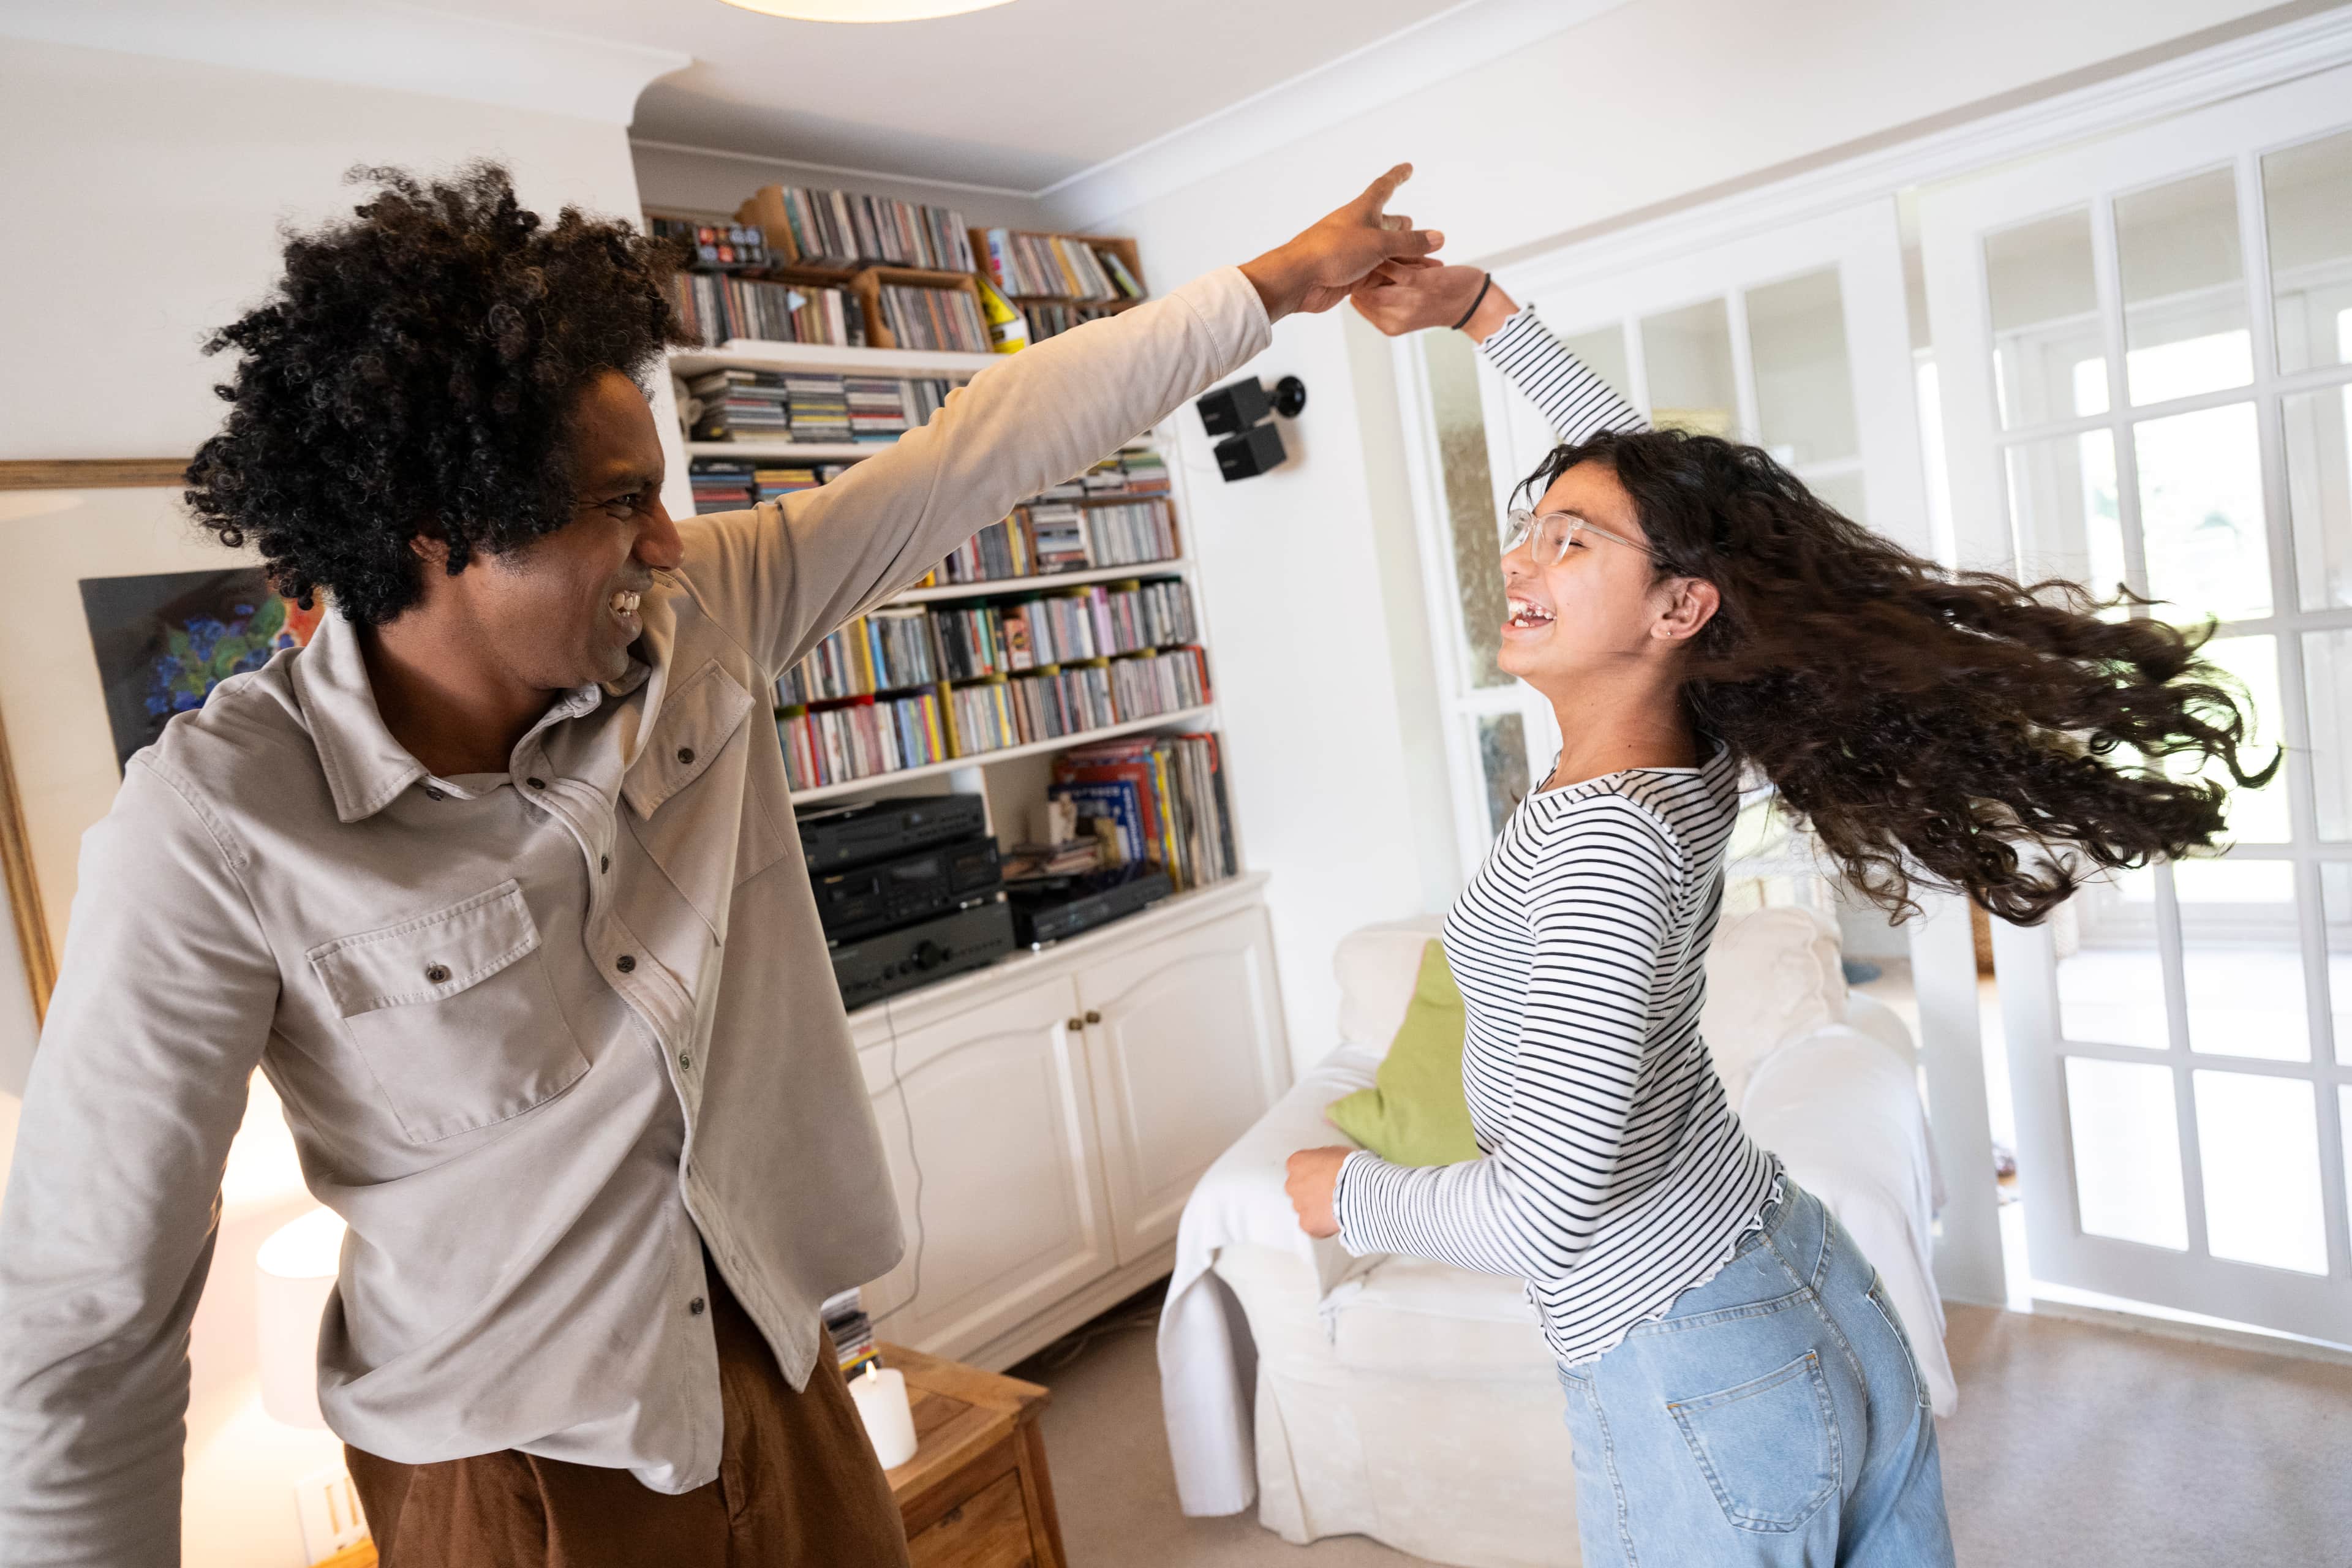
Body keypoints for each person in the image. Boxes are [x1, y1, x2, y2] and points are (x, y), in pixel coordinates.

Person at [0, 159, 1441, 1567]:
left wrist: (1269, 286)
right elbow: (85, 1318)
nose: (671, 541)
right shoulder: (208, 828)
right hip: (514, 1472)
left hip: (776, 1371)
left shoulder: (703, 619)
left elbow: (979, 445)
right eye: (620, 502)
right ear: (439, 530)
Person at [1286, 262, 2269, 1567]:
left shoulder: (1607, 847)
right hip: (1785, 1272)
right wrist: (1484, 318)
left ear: (1681, 609)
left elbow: (1543, 1214)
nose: (1521, 555)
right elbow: (1674, 513)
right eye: (1535, 528)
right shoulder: (1688, 742)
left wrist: (1348, 1193)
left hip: (1690, 1353)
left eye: (1568, 540)